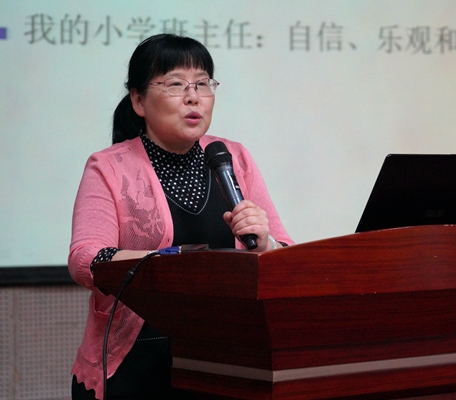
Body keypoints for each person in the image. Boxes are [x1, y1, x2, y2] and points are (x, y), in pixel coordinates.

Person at [68, 33, 293, 400]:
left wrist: (265, 243)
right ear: (138, 100)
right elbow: (85, 261)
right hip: (137, 367)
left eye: (202, 84)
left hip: (222, 362)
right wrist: (171, 262)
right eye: (176, 84)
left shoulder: (233, 158)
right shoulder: (109, 167)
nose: (193, 97)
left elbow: (285, 253)